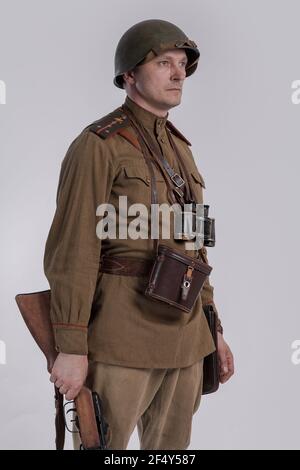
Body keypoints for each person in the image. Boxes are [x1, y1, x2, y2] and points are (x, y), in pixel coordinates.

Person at [44, 19, 234, 450]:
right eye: (164, 62)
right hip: (121, 338)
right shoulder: (98, 144)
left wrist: (214, 327)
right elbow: (72, 248)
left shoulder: (181, 150)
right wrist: (70, 347)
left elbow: (195, 245)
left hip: (186, 342)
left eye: (182, 63)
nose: (177, 73)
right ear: (129, 75)